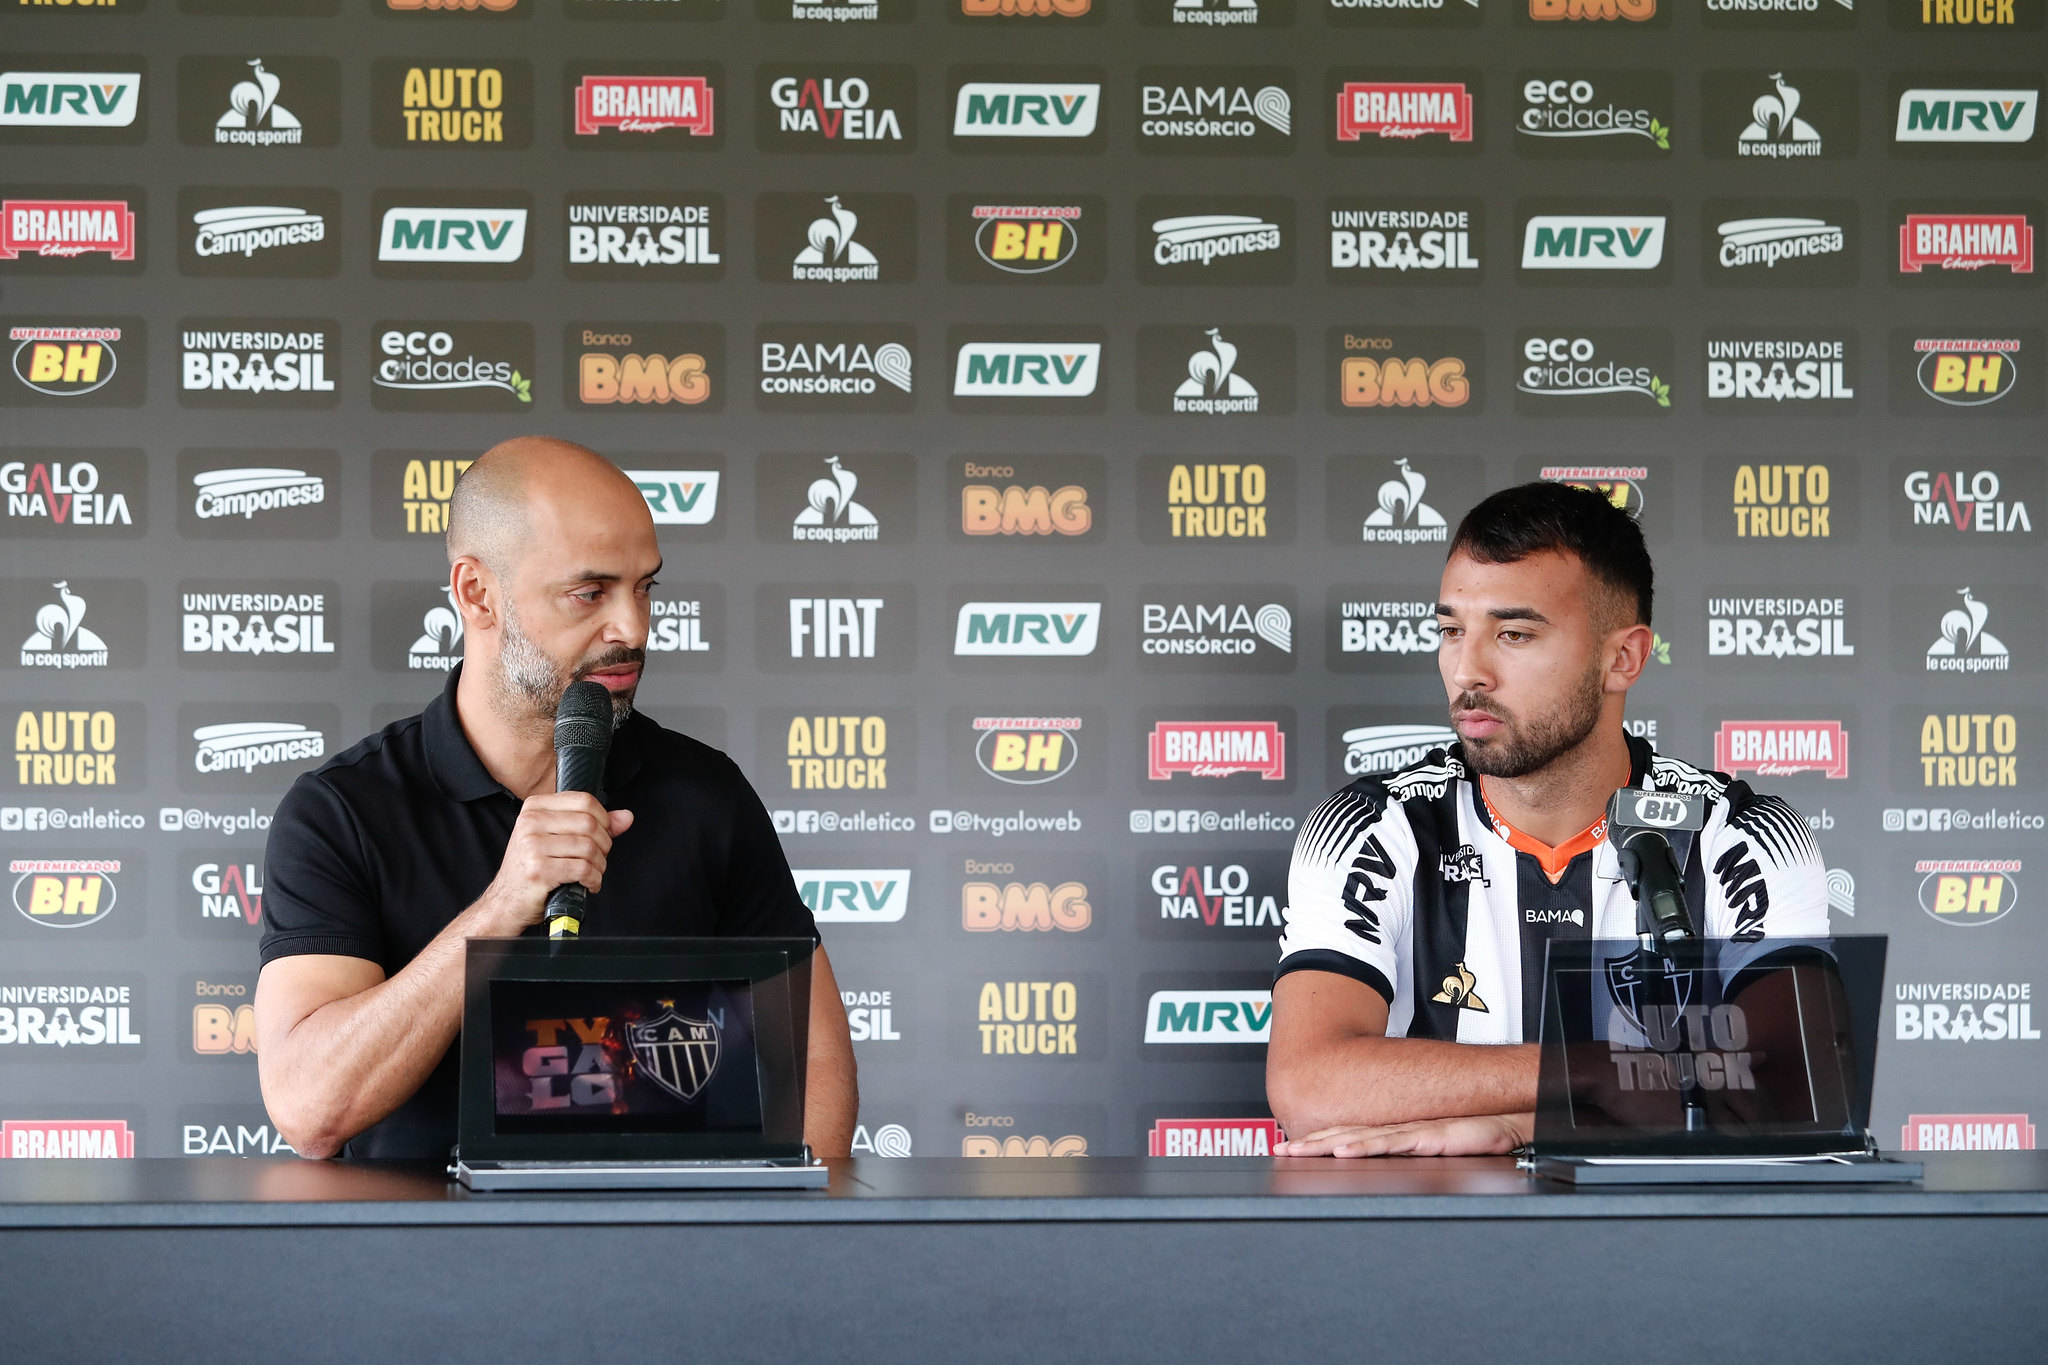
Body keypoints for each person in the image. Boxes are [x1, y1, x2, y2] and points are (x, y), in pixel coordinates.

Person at [253, 436, 857, 1160]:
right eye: (589, 593)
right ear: (477, 592)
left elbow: (817, 1078)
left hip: (663, 1257)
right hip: (423, 1265)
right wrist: (504, 903)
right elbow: (310, 1109)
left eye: (645, 588)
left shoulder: (706, 796)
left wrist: (710, 1237)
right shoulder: (343, 811)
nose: (632, 628)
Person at [1267, 482, 1829, 1157]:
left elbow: (1792, 1101)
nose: (1467, 671)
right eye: (1452, 630)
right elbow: (1309, 1088)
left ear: (1623, 658)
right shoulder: (1372, 827)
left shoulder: (1744, 835)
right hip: (1431, 1251)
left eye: (1513, 633)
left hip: (1669, 1251)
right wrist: (1590, 1072)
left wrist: (1519, 1129)